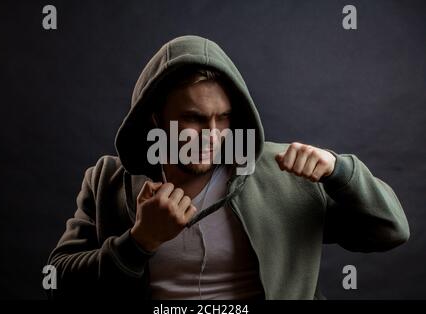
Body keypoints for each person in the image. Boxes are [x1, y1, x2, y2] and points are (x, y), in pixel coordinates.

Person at [47, 35, 409, 300]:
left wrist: (341, 172)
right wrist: (140, 242)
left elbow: (389, 231)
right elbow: (57, 282)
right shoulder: (108, 181)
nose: (212, 135)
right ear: (155, 118)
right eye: (194, 118)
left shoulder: (284, 173)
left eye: (224, 118)